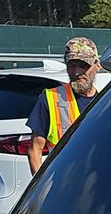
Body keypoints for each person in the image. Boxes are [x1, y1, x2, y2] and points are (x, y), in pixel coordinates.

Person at [27, 36, 105, 174]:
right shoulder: (51, 98)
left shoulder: (105, 102)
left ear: (97, 66)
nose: (77, 72)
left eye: (83, 66)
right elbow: (35, 150)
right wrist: (40, 190)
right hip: (62, 183)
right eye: (72, 65)